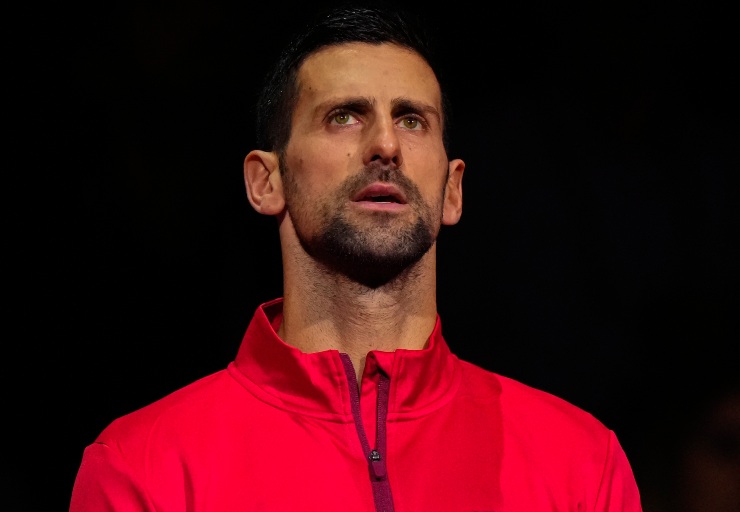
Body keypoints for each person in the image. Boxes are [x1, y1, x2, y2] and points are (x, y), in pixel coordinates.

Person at [69, 3, 642, 510]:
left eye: (412, 120)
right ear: (266, 181)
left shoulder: (582, 464)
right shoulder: (141, 468)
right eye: (343, 115)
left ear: (452, 190)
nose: (386, 145)